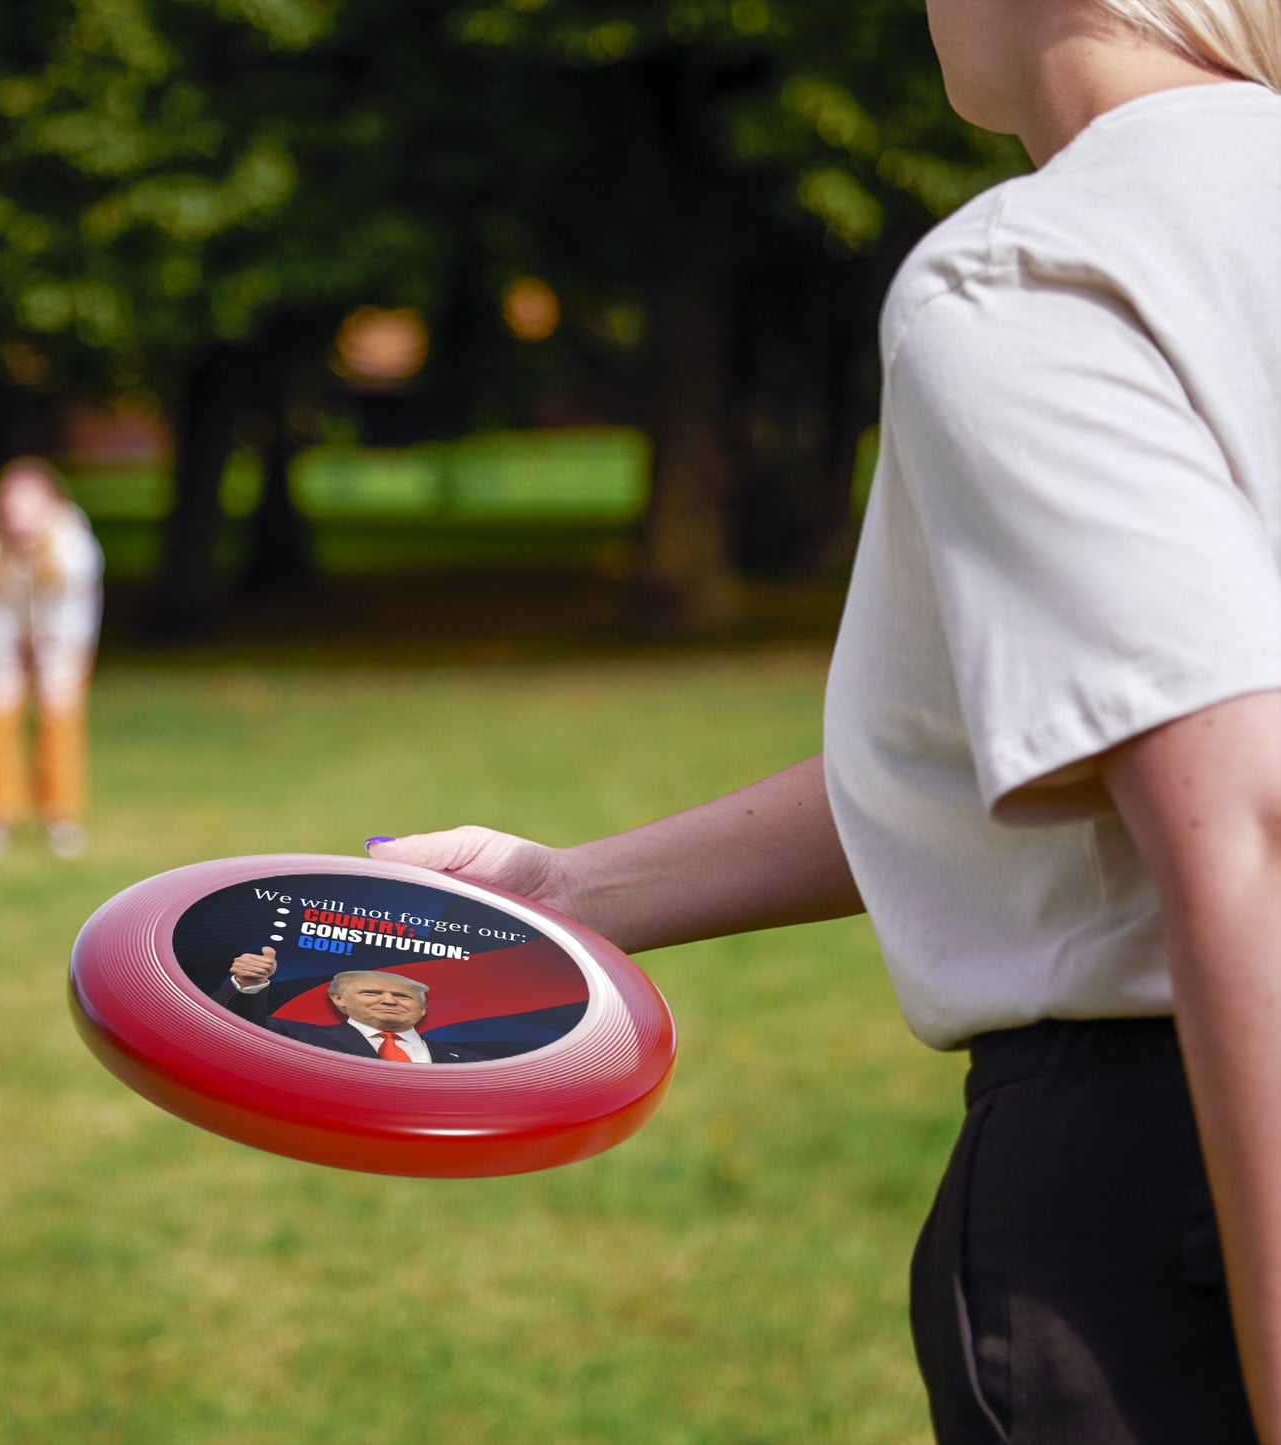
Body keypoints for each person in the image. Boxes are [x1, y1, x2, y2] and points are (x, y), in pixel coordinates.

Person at [363, 2, 1281, 1441]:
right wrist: (573, 890)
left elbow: (1245, 822)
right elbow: (1051, 740)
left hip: (1177, 1192)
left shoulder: (1040, 270)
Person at [0, 457, 103, 860]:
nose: (18, 517)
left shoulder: (75, 548)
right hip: (1, 640)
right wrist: (4, 664)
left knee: (59, 717)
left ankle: (61, 817)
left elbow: (75, 616)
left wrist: (51, 658)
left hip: (61, 642)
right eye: (10, 506)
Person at [215, 954, 487, 1063]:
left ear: (423, 1008)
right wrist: (249, 984)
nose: (390, 1000)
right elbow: (239, 1029)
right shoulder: (295, 1035)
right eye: (372, 992)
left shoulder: (472, 1063)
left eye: (403, 997)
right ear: (338, 1000)